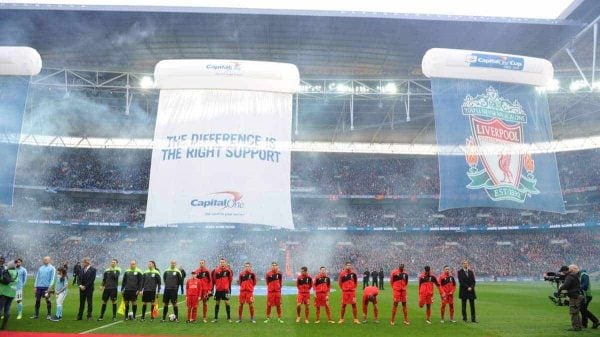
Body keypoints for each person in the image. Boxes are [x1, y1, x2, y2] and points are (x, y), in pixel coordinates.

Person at [558, 264, 584, 331]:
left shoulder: (569, 277)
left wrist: (560, 289)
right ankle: (579, 327)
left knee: (573, 312)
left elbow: (566, 285)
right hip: (577, 295)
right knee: (576, 312)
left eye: (563, 271)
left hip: (574, 296)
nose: (562, 273)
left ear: (566, 270)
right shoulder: (574, 275)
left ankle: (575, 327)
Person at [211, 258, 233, 323]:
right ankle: (215, 318)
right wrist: (216, 286)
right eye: (221, 262)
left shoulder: (228, 270)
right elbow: (214, 280)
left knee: (227, 302)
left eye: (223, 262)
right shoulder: (216, 270)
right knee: (217, 303)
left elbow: (230, 279)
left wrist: (226, 286)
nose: (222, 263)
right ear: (219, 263)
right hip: (218, 290)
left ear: (225, 263)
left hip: (226, 290)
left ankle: (228, 318)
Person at [0, 259, 17, 330]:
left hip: (4, 292)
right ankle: (4, 326)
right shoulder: (16, 272)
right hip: (12, 292)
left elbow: (3, 280)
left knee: (0, 308)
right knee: (7, 309)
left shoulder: (6, 271)